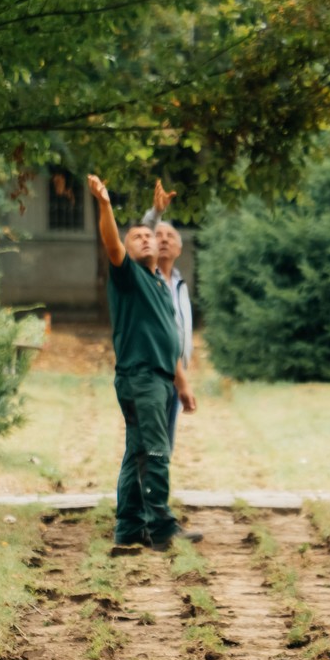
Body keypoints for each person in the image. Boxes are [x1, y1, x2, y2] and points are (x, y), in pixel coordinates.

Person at [90, 174, 198, 553]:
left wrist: (181, 383)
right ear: (127, 249)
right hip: (141, 378)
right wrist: (105, 204)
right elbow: (112, 241)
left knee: (137, 451)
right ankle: (162, 527)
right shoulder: (128, 276)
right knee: (155, 451)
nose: (148, 239)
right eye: (137, 237)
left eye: (149, 236)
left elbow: (170, 340)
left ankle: (129, 527)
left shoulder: (158, 284)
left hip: (160, 378)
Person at [153, 190, 195, 449]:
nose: (164, 240)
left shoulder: (180, 283)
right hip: (155, 375)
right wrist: (156, 212)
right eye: (158, 235)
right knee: (153, 448)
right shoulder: (147, 279)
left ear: (179, 249)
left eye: (170, 236)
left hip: (176, 376)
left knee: (165, 446)